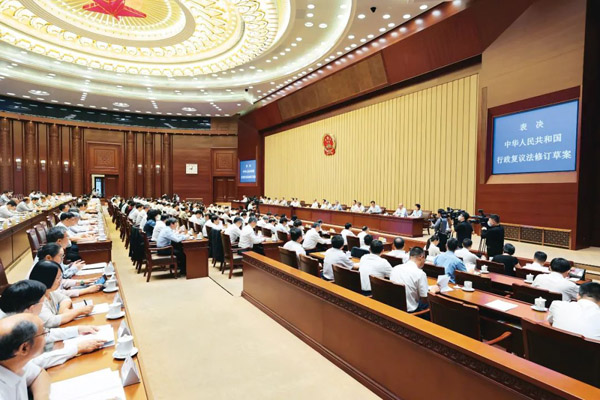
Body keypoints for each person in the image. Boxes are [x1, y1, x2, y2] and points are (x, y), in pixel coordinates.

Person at [0, 280, 105, 369]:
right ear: (32, 308)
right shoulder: (8, 330)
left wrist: (78, 329)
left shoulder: (19, 317)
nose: (44, 306)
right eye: (43, 303)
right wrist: (76, 349)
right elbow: (30, 364)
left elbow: (46, 333)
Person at [0, 313, 51, 400]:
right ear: (24, 348)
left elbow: (39, 374)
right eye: (43, 333)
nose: (45, 337)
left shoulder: (13, 362)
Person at [29, 261, 94, 328]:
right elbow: (51, 322)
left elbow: (65, 298)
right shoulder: (37, 299)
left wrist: (63, 310)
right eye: (57, 278)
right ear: (47, 279)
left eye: (60, 277)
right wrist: (79, 311)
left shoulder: (49, 292)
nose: (60, 280)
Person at [390, 247, 439, 313]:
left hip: (394, 307)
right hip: (410, 311)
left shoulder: (395, 268)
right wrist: (433, 291)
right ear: (421, 257)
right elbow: (425, 300)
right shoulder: (420, 273)